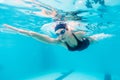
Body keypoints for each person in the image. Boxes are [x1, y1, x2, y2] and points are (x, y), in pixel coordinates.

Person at [3, 23, 111, 51]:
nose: (60, 35)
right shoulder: (60, 42)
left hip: (88, 42)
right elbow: (33, 34)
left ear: (69, 30)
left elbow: (91, 29)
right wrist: (16, 30)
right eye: (58, 33)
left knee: (97, 39)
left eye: (63, 31)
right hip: (79, 48)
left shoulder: (78, 34)